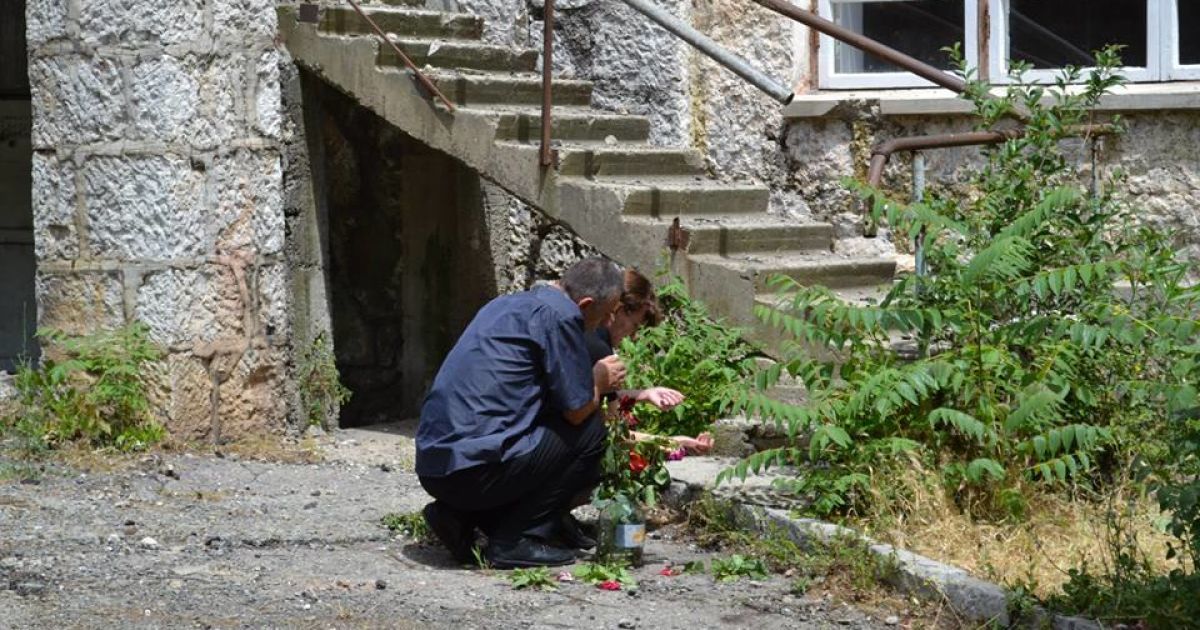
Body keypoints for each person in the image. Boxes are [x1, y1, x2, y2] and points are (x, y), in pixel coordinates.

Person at [416, 258, 627, 568]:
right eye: (607, 313)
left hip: (435, 466)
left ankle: (460, 516)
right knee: (590, 433)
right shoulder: (561, 316)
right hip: (474, 470)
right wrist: (598, 380)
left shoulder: (509, 303)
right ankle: (516, 540)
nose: (609, 322)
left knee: (541, 427)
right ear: (585, 303)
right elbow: (577, 411)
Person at [586, 269, 713, 456]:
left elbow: (590, 395)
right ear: (618, 309)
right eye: (635, 325)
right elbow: (616, 437)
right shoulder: (600, 350)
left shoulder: (581, 330)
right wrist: (673, 443)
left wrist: (643, 394)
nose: (634, 336)